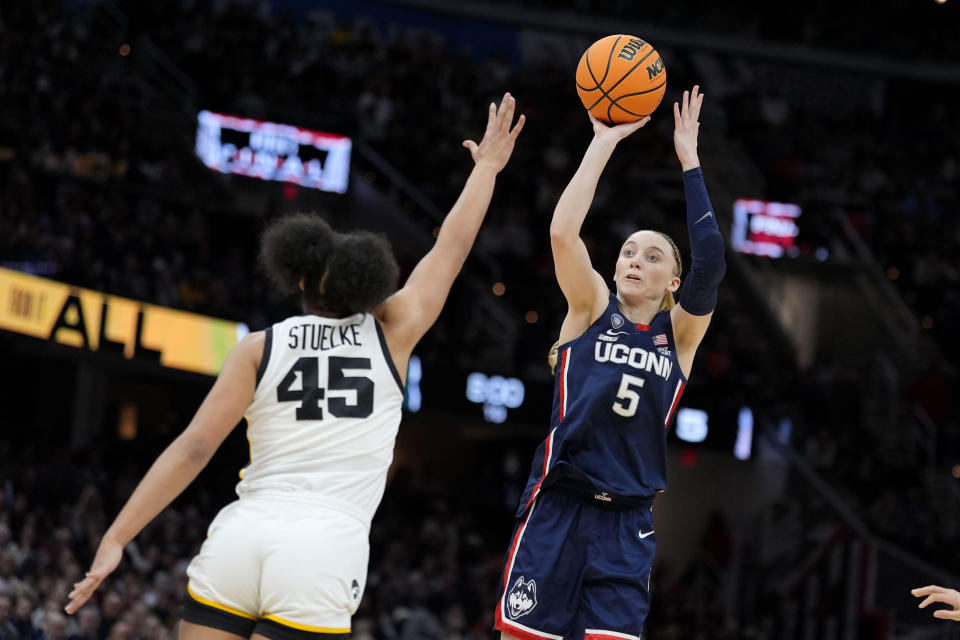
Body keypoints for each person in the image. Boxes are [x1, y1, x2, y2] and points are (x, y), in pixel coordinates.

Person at [64, 93, 525, 640]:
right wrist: (487, 170)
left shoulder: (258, 347)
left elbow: (192, 449)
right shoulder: (392, 330)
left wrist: (117, 535)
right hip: (323, 549)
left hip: (241, 536)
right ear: (368, 283)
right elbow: (451, 246)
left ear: (299, 279)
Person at [494, 85, 724, 640]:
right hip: (558, 507)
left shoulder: (681, 335)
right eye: (627, 250)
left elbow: (711, 259)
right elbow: (561, 233)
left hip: (628, 523)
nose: (634, 259)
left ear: (673, 281)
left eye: (652, 256)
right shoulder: (589, 306)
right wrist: (602, 140)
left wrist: (689, 160)